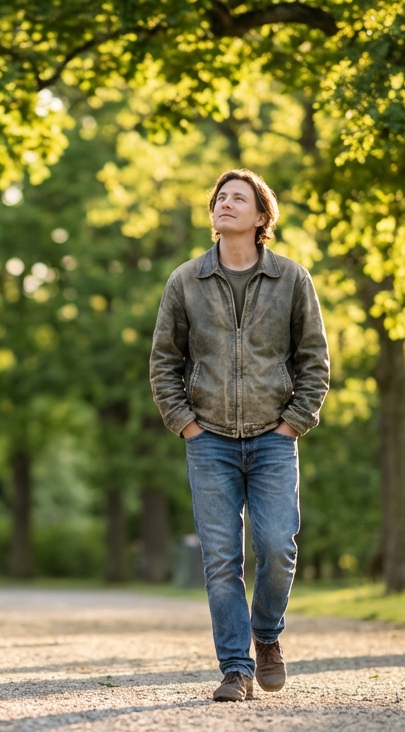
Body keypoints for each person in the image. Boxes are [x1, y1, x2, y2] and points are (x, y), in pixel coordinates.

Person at [149, 168, 330, 703]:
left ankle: (267, 636)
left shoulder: (293, 280)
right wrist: (184, 422)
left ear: (260, 217)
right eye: (220, 198)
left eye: (238, 199)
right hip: (209, 440)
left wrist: (294, 421)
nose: (225, 204)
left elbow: (314, 361)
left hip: (275, 437)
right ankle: (235, 668)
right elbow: (164, 362)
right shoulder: (185, 281)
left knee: (278, 548)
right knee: (221, 558)